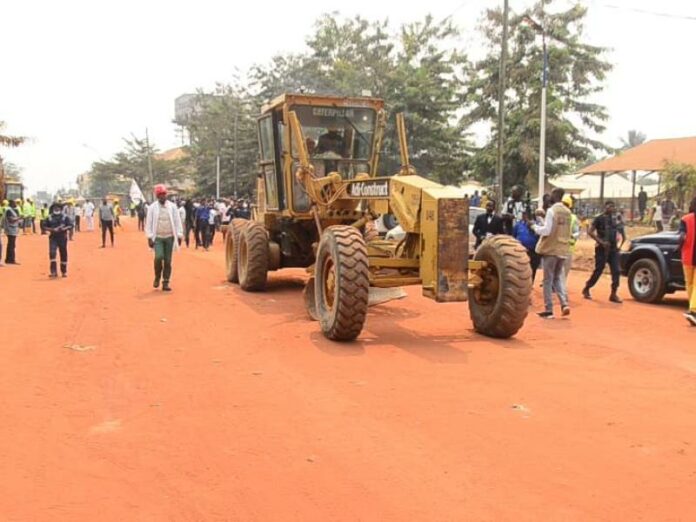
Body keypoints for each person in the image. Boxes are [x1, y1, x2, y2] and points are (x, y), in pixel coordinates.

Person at [533, 188, 571, 319]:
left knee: (548, 280)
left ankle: (548, 310)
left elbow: (547, 231)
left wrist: (534, 227)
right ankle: (564, 303)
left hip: (551, 250)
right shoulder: (568, 212)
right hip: (563, 249)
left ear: (555, 195)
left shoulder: (552, 210)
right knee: (557, 278)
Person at [582, 200, 626, 303]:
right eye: (609, 206)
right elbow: (590, 232)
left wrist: (620, 245)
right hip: (602, 249)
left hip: (613, 249)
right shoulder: (599, 218)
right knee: (599, 270)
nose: (611, 208)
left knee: (616, 271)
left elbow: (622, 233)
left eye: (612, 206)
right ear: (605, 207)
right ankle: (587, 287)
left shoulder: (615, 219)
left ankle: (613, 293)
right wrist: (601, 242)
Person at [145, 184, 183, 292]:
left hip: (169, 237)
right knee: (158, 257)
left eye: (164, 194)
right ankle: (157, 276)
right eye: (160, 195)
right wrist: (149, 237)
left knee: (167, 261)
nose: (163, 196)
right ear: (157, 196)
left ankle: (165, 282)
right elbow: (149, 222)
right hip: (158, 237)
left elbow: (177, 221)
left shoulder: (172, 206)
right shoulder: (152, 207)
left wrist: (179, 235)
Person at [678, 197, 696, 326]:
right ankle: (693, 311)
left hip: (688, 256)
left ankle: (693, 310)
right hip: (689, 255)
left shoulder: (685, 219)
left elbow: (681, 236)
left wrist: (679, 245)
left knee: (689, 284)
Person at [44, 202, 73, 278]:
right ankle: (53, 272)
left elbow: (70, 225)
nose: (56, 209)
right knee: (52, 253)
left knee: (63, 253)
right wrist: (52, 229)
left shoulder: (65, 217)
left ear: (60, 208)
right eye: (55, 207)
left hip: (62, 237)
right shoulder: (49, 217)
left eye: (58, 207)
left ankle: (64, 271)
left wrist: (63, 228)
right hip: (53, 237)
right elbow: (44, 226)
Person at [513, 211, 540, 282]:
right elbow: (513, 235)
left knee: (532, 268)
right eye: (523, 215)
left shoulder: (536, 225)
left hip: (532, 251)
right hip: (520, 251)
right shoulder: (518, 225)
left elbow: (539, 237)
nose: (525, 217)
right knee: (519, 268)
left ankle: (530, 284)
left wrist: (532, 227)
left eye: (527, 215)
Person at [562, 195, 581, 288]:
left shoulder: (573, 218)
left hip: (568, 247)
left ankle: (561, 286)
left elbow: (577, 232)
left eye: (566, 204)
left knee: (565, 268)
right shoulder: (557, 215)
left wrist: (572, 236)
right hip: (558, 246)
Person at [4, 199, 22, 264]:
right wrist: (18, 218)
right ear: (11, 204)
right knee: (11, 245)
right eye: (14, 203)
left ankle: (9, 259)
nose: (16, 204)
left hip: (14, 229)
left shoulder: (15, 210)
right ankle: (11, 260)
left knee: (11, 245)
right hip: (10, 229)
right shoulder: (8, 210)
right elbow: (11, 220)